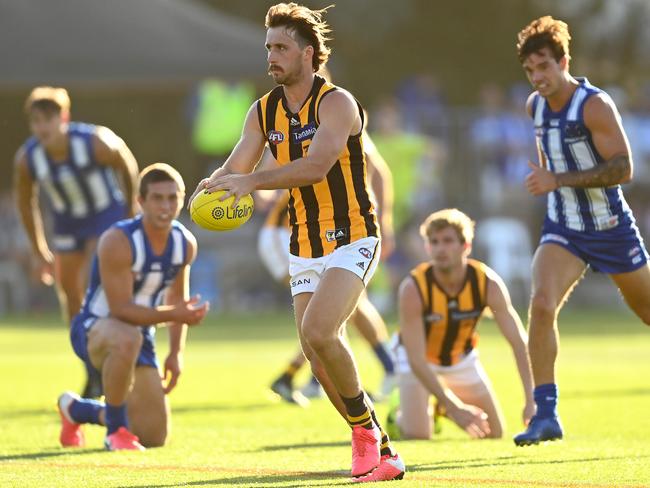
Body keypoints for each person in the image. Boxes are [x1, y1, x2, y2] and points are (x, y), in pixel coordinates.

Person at [189, 3, 404, 482]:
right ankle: (375, 441)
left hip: (353, 235)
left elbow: (316, 166)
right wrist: (215, 185)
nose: (272, 56)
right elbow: (237, 165)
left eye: (281, 48)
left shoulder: (338, 103)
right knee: (313, 348)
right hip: (303, 241)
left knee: (321, 332)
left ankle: (367, 438)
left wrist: (250, 183)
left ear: (308, 54)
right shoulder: (262, 110)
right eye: (268, 48)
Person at [513, 16, 650, 446]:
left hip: (610, 228)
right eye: (530, 70)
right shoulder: (535, 106)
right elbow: (549, 163)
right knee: (540, 304)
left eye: (544, 68)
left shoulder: (594, 105)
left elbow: (623, 168)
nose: (538, 78)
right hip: (564, 228)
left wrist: (558, 181)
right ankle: (546, 414)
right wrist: (547, 180)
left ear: (563, 62)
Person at [56, 163, 209, 451]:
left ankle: (76, 409)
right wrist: (177, 315)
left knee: (152, 436)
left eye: (172, 198)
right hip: (94, 330)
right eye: (157, 198)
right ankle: (114, 432)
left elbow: (177, 300)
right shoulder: (118, 240)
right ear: (140, 202)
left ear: (182, 199)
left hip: (139, 337)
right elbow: (121, 310)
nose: (165, 206)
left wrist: (176, 353)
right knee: (128, 335)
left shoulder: (184, 243)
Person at [14, 86, 139, 398]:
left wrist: (131, 211)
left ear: (64, 118)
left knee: (96, 284)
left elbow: (126, 161)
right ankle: (91, 369)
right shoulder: (28, 159)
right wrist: (39, 248)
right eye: (35, 121)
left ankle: (121, 357)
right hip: (68, 223)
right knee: (70, 295)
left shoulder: (95, 141)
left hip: (105, 215)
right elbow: (25, 203)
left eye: (47, 120)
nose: (42, 128)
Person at [261, 133, 397, 405]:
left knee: (344, 306)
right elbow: (264, 181)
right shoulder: (288, 125)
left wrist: (385, 219)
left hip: (336, 234)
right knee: (330, 310)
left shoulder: (342, 124)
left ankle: (305, 378)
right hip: (285, 236)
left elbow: (379, 172)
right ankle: (389, 369)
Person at [388, 208, 534, 440]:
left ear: (466, 246)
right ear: (427, 248)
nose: (440, 248)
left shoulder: (486, 282)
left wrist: (531, 399)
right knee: (417, 434)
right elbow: (416, 359)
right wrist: (454, 407)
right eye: (434, 242)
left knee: (492, 433)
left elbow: (518, 342)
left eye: (448, 241)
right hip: (418, 361)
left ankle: (436, 407)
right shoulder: (413, 288)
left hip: (460, 358)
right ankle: (399, 413)